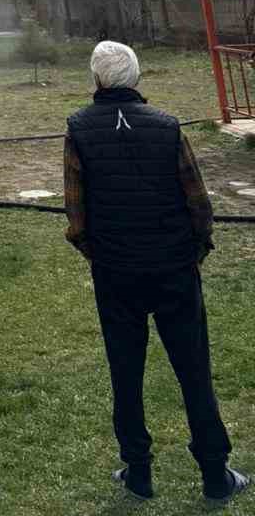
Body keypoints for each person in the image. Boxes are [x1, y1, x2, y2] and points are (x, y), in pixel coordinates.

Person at [65, 41, 247, 505]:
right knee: (194, 372)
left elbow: (76, 211)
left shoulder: (79, 129)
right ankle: (213, 472)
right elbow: (199, 202)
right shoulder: (167, 128)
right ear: (136, 77)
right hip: (172, 270)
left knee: (126, 374)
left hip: (116, 273)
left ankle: (139, 471)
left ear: (97, 79)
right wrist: (194, 253)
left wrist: (97, 254)